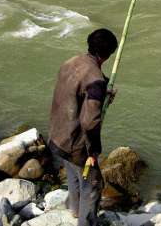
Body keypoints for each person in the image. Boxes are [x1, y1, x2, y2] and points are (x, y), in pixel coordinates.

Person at [48, 28, 118, 226]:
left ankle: (75, 210)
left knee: (73, 173)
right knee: (93, 183)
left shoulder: (70, 62)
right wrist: (93, 151)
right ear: (108, 54)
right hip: (75, 144)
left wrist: (102, 90)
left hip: (56, 136)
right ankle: (86, 222)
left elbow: (77, 88)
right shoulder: (95, 79)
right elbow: (90, 122)